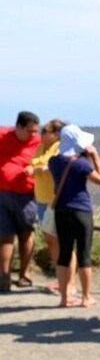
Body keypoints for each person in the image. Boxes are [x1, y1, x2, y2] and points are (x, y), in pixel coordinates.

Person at [48, 125, 100, 307]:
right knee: (84, 255)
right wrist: (94, 157)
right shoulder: (81, 165)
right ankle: (86, 297)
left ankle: (64, 298)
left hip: (61, 211)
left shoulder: (53, 162)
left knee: (64, 254)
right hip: (81, 211)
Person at [29, 118, 77, 293]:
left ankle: (70, 282)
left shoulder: (62, 148)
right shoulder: (42, 147)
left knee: (65, 243)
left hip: (57, 200)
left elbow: (56, 166)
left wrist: (41, 167)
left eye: (45, 131)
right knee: (52, 241)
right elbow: (35, 163)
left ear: (57, 134)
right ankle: (61, 279)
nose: (41, 134)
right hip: (42, 199)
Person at [0, 111, 41, 292]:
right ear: (18, 127)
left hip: (27, 195)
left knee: (26, 233)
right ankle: (4, 276)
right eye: (30, 131)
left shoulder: (39, 142)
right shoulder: (3, 136)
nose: (33, 134)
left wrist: (35, 167)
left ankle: (25, 273)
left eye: (35, 131)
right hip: (3, 193)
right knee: (5, 235)